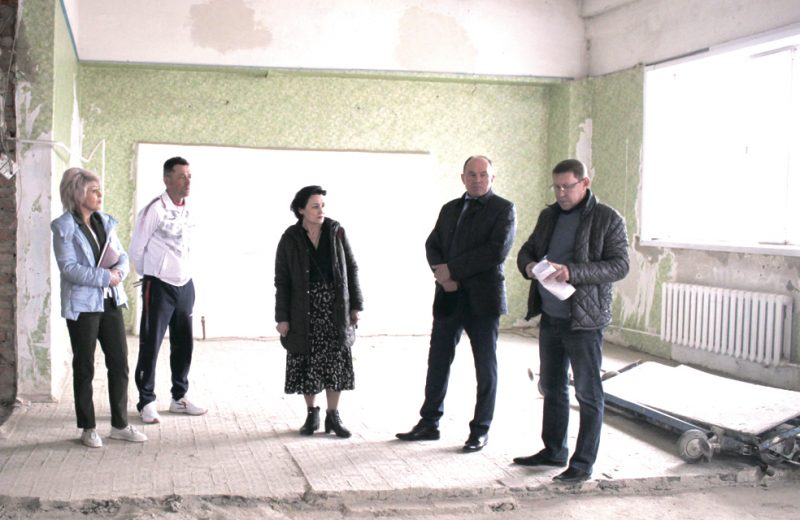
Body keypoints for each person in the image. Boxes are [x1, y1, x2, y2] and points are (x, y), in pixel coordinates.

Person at [513, 159, 629, 483]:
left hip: (584, 321)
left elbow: (620, 265)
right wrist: (529, 266)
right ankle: (554, 451)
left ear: (585, 183)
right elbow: (527, 250)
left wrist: (573, 272)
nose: (561, 193)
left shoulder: (608, 218)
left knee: (588, 394)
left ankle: (582, 463)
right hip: (551, 317)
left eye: (567, 186)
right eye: (557, 187)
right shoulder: (549, 216)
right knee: (552, 387)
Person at [396, 155, 516, 452]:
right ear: (463, 178)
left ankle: (480, 430)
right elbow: (432, 244)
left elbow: (495, 252)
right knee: (437, 361)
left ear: (492, 178)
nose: (478, 179)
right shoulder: (449, 209)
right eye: (472, 174)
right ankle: (429, 422)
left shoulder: (503, 209)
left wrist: (453, 272)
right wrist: (442, 274)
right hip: (448, 296)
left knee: (485, 367)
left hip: (483, 301)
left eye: (483, 174)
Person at [51, 167, 148, 448]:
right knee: (84, 366)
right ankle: (88, 427)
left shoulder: (104, 221)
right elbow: (69, 268)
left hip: (110, 300)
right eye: (94, 190)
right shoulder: (63, 226)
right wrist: (106, 276)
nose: (100, 195)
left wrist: (118, 272)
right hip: (83, 305)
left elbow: (122, 256)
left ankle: (120, 425)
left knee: (119, 363)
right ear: (78, 193)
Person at [274, 185, 364, 438]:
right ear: (301, 209)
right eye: (315, 206)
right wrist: (282, 318)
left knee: (335, 362)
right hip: (303, 310)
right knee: (308, 362)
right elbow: (282, 280)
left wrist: (356, 305)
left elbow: (351, 268)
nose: (320, 210)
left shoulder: (336, 232)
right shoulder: (290, 238)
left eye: (322, 205)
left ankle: (333, 415)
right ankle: (311, 413)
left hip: (335, 309)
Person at [129, 156, 206, 424]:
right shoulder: (154, 210)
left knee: (183, 343)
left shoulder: (188, 209)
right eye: (182, 176)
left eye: (189, 176)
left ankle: (179, 398)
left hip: (185, 285)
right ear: (167, 179)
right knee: (150, 343)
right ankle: (146, 401)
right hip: (159, 285)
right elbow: (136, 250)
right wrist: (153, 274)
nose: (187, 181)